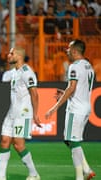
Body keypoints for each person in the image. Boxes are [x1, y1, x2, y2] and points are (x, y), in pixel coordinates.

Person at [45, 39, 96, 180]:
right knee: (71, 140)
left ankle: (80, 176)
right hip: (86, 107)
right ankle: (86, 169)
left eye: (68, 49)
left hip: (76, 109)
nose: (66, 51)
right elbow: (79, 89)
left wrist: (54, 107)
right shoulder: (88, 66)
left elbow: (72, 87)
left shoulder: (74, 66)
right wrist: (66, 93)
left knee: (72, 141)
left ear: (74, 51)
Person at [0, 47, 41, 180]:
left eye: (11, 53)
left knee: (18, 144)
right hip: (12, 112)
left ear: (19, 56)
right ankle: (1, 175)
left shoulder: (27, 72)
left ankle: (34, 173)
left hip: (23, 113)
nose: (8, 55)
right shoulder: (14, 72)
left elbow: (34, 93)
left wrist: (35, 114)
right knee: (4, 141)